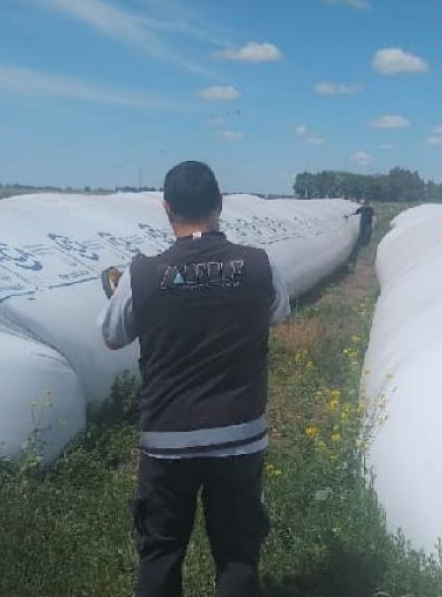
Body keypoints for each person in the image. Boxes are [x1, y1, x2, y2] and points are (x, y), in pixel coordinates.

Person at [98, 161, 290, 596]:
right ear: (220, 204)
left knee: (161, 552)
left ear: (166, 209)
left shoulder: (140, 273)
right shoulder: (260, 264)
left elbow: (112, 335)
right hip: (240, 434)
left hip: (168, 440)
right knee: (237, 552)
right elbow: (276, 313)